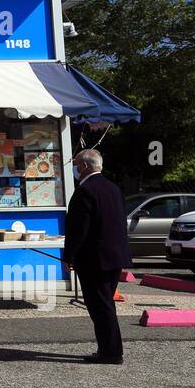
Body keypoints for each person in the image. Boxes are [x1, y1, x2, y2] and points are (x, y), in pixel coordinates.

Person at [64, 148, 131, 363]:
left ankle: (111, 351)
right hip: (114, 256)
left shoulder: (85, 191)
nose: (74, 168)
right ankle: (109, 349)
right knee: (105, 303)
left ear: (84, 166)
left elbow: (78, 229)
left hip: (94, 259)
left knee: (99, 306)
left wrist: (69, 256)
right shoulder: (113, 189)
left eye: (76, 164)